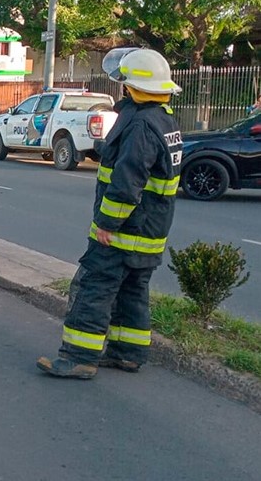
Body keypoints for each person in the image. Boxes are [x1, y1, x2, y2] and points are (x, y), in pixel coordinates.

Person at [37, 48, 183, 379]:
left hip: (123, 231)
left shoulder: (141, 126)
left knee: (95, 287)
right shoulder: (162, 120)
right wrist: (101, 149)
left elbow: (128, 181)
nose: (122, 89)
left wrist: (106, 223)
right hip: (149, 231)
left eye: (125, 85)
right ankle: (128, 353)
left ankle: (78, 357)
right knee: (132, 290)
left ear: (133, 88)